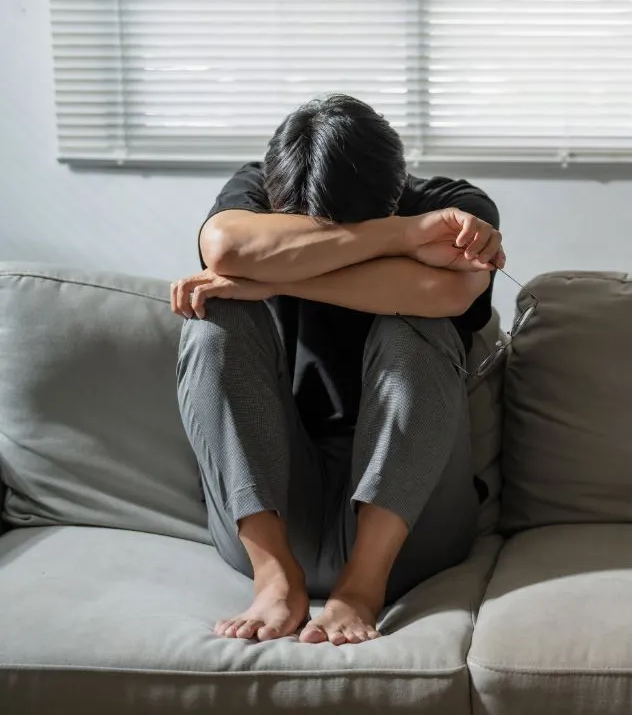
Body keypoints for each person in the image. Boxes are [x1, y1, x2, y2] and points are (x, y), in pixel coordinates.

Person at [172, 94, 502, 645]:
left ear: (396, 193)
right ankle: (275, 579)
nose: (326, 238)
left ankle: (360, 591)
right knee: (214, 317)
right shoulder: (257, 190)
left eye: (349, 227)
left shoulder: (454, 206)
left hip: (412, 525)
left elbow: (447, 293)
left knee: (416, 324)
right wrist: (399, 237)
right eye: (304, 229)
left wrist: (275, 276)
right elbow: (226, 247)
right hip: (272, 510)